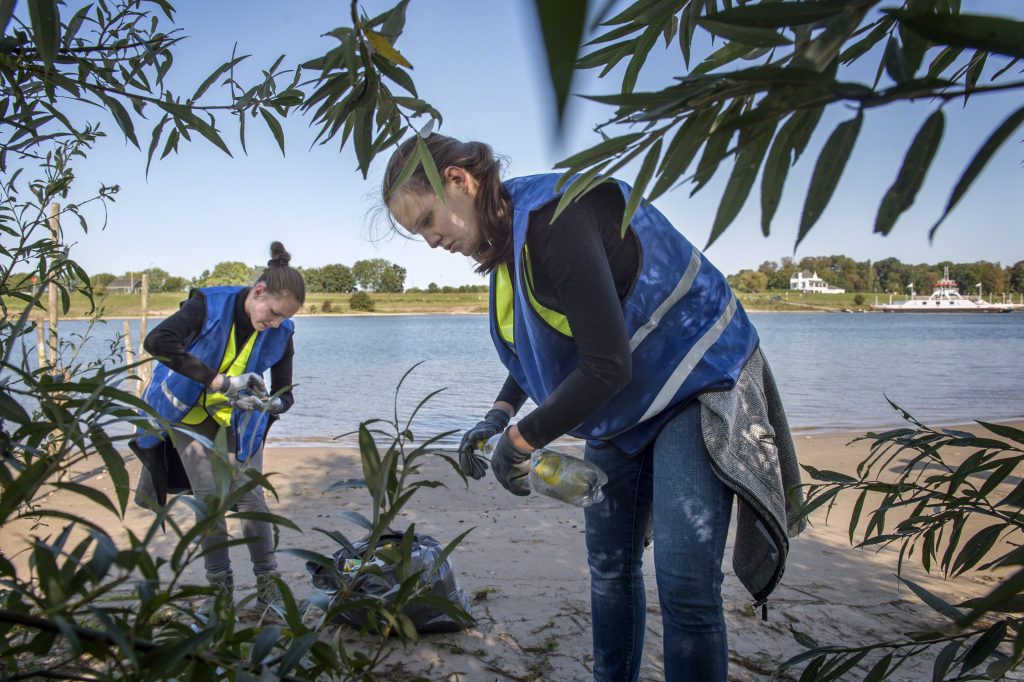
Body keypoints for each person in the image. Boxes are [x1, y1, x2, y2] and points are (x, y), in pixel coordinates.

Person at [381, 134, 804, 681]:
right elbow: (542, 349)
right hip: (621, 402)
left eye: (427, 221)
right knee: (609, 567)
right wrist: (499, 413)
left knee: (684, 583)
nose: (430, 241)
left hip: (693, 378)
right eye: (419, 233)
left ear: (460, 181)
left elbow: (606, 365)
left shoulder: (555, 220)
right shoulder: (511, 246)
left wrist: (522, 440)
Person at [132, 241, 304, 616]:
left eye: (282, 319)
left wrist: (274, 403)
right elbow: (157, 342)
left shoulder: (282, 330)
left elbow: (286, 390)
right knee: (210, 501)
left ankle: (268, 589)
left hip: (241, 418)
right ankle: (220, 594)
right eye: (273, 313)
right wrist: (219, 382)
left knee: (249, 497)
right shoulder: (208, 305)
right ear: (258, 291)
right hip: (188, 415)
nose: (274, 323)